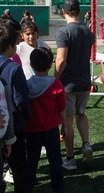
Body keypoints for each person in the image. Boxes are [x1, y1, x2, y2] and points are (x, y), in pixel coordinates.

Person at [55, 0, 95, 170]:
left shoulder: (63, 32)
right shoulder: (88, 32)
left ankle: (70, 158)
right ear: (79, 11)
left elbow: (61, 60)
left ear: (64, 12)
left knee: (68, 121)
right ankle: (86, 143)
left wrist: (54, 78)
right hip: (84, 81)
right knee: (81, 114)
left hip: (68, 84)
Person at [25, 47, 66, 193]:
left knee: (31, 161)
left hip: (31, 130)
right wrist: (65, 127)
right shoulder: (56, 84)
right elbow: (62, 109)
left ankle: (27, 187)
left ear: (31, 64)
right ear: (50, 65)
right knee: (55, 161)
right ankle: (58, 189)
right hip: (50, 129)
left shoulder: (26, 85)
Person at [0, 20, 30, 193]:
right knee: (19, 169)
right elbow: (20, 101)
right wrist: (26, 116)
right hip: (12, 127)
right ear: (11, 45)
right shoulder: (14, 69)